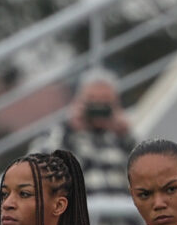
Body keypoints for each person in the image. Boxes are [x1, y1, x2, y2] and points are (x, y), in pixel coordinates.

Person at [36, 70, 134, 202]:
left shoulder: (121, 138)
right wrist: (69, 129)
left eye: (105, 102)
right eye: (92, 101)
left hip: (123, 219)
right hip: (85, 218)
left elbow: (141, 174)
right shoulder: (61, 134)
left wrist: (125, 135)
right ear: (79, 102)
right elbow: (40, 168)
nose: (99, 108)